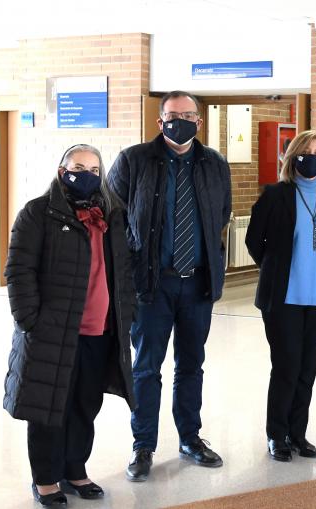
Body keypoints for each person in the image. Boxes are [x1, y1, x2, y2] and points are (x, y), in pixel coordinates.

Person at [108, 90, 232, 481]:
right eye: (173, 116)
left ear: (199, 122)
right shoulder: (133, 161)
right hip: (151, 286)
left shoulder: (214, 164)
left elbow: (221, 214)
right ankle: (143, 445)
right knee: (146, 368)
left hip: (197, 284)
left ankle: (190, 438)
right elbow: (113, 219)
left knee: (191, 365)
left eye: (188, 116)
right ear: (160, 121)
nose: (181, 122)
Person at [3, 145, 136, 506]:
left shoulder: (112, 215)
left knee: (85, 404)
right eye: (79, 167)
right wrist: (30, 320)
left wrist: (128, 311)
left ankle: (75, 469)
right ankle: (46, 479)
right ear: (62, 171)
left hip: (100, 331)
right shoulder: (38, 213)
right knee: (49, 407)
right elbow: (19, 270)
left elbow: (124, 269)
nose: (87, 175)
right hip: (53, 332)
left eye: (94, 169)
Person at [245, 131, 316, 462]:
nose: (314, 157)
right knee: (286, 367)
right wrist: (274, 268)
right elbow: (253, 241)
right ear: (294, 155)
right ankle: (277, 435)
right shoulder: (275, 194)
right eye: (308, 151)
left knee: (306, 370)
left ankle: (298, 433)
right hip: (284, 299)